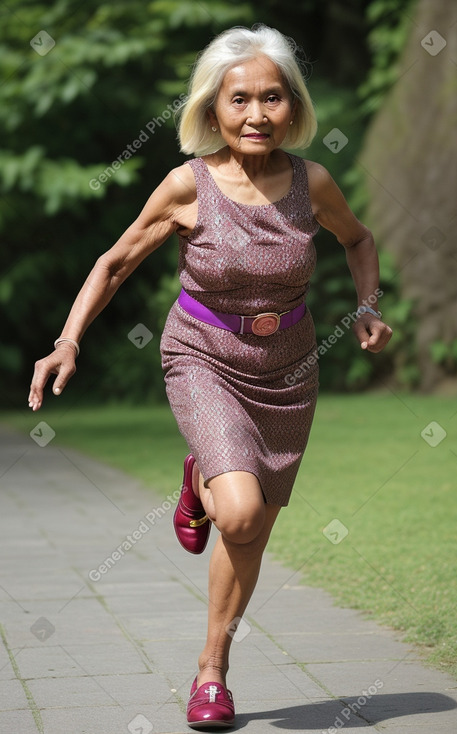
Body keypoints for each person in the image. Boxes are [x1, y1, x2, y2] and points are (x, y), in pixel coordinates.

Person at [29, 24, 392, 730]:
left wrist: (367, 305)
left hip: (288, 370)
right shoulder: (185, 186)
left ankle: (211, 672)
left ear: (293, 105)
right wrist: (69, 340)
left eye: (272, 98)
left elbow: (358, 239)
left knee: (250, 528)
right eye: (239, 100)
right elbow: (114, 262)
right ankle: (206, 478)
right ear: (213, 109)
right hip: (203, 355)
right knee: (238, 509)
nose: (256, 114)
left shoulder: (310, 183)